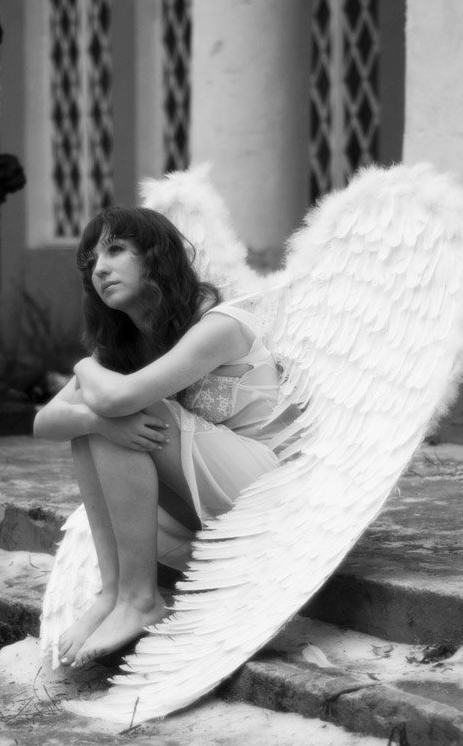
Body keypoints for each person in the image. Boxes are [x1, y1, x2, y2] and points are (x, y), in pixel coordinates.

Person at [34, 205, 281, 670]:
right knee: (95, 421)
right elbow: (45, 422)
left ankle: (141, 599)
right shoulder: (128, 342)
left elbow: (119, 398)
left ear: (156, 256)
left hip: (266, 492)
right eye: (91, 261)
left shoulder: (220, 325)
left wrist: (84, 366)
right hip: (201, 499)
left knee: (115, 406)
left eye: (115, 250)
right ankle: (115, 594)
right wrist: (99, 422)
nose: (100, 269)